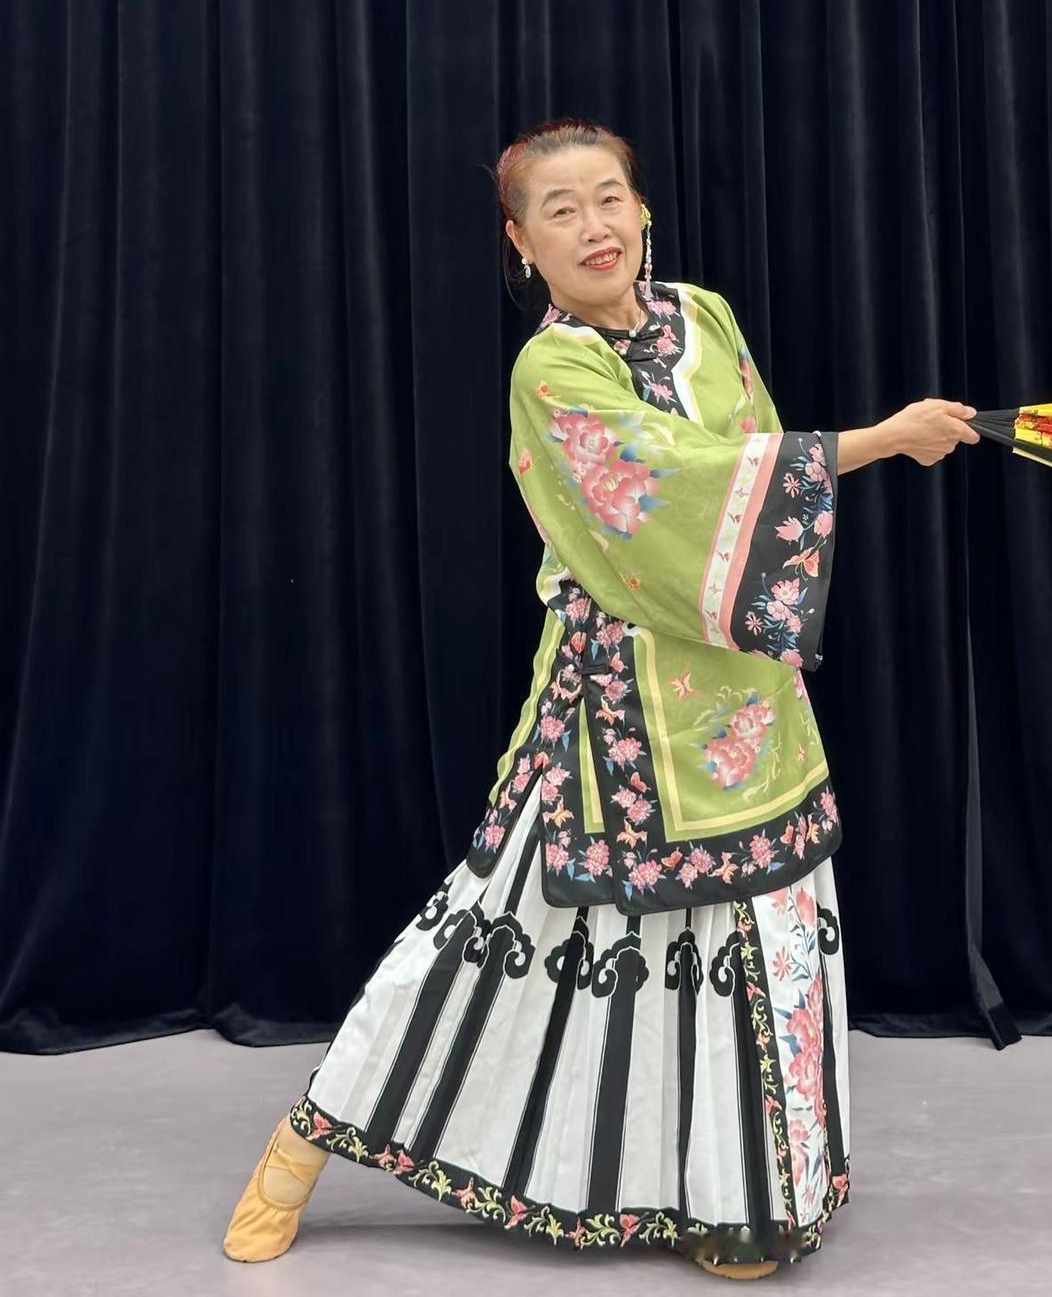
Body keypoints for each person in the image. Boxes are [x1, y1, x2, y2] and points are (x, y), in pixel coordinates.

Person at [221, 118, 980, 1279]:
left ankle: (739, 1197)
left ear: (643, 210)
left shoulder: (702, 314)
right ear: (519, 242)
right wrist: (882, 439)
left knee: (752, 935)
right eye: (560, 210)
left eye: (609, 197)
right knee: (496, 930)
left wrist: (797, 525)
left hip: (739, 685)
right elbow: (678, 487)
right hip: (613, 702)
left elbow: (756, 463)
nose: (593, 226)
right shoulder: (553, 368)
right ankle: (307, 1136)